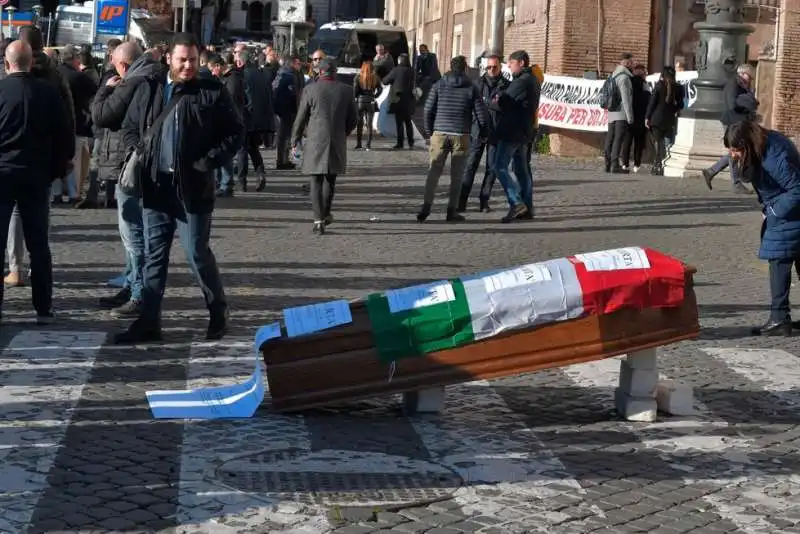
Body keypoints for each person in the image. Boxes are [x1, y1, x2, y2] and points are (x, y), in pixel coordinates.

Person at [112, 32, 243, 344]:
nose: (187, 66)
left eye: (193, 60)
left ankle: (218, 311)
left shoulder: (211, 90)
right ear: (168, 58)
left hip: (193, 188)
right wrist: (138, 151)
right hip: (157, 186)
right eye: (182, 59)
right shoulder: (150, 88)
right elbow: (129, 126)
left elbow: (235, 132)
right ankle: (148, 322)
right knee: (154, 257)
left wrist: (209, 161)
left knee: (197, 253)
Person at [0, 41, 73, 326]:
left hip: (3, 174)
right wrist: (52, 172)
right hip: (35, 176)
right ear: (31, 63)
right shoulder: (47, 93)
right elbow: (64, 139)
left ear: (7, 64)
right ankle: (43, 306)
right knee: (39, 246)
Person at [91, 41, 164, 318]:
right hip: (141, 164)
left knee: (132, 232)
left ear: (122, 65)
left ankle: (137, 291)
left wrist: (106, 88)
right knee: (135, 230)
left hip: (130, 165)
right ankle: (132, 284)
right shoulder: (154, 76)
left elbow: (100, 115)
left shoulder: (131, 82)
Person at [722, 121, 800, 336]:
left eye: (736, 149)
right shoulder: (766, 144)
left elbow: (797, 189)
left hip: (788, 214)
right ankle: (780, 317)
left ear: (747, 145)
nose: (732, 154)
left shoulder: (773, 156)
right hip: (787, 212)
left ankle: (779, 318)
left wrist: (773, 212)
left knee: (778, 260)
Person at [417, 55, 488, 223]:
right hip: (461, 134)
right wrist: (484, 133)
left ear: (450, 67)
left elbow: (427, 110)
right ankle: (451, 211)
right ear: (465, 68)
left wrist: (429, 132)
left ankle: (426, 207)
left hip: (440, 133)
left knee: (434, 172)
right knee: (457, 175)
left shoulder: (439, 85)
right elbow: (481, 114)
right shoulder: (471, 87)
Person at [291, 58, 357, 235]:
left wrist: (295, 139)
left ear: (319, 72)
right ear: (334, 72)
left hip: (315, 139)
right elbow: (353, 119)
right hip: (336, 139)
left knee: (316, 180)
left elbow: (301, 117)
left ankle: (318, 220)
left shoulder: (310, 90)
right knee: (330, 179)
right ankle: (326, 213)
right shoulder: (346, 90)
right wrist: (343, 132)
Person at [492, 50, 540, 223]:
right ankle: (528, 207)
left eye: (511, 63)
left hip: (512, 131)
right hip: (524, 131)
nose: (509, 66)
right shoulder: (532, 79)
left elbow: (503, 102)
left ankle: (516, 202)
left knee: (499, 166)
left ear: (521, 63)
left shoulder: (521, 81)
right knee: (521, 170)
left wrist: (495, 100)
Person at [458, 53, 508, 213]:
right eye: (489, 67)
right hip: (477, 130)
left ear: (500, 67)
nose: (492, 70)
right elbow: (468, 106)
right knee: (470, 166)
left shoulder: (506, 85)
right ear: (484, 68)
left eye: (495, 67)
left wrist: (489, 103)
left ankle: (484, 201)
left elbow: (505, 107)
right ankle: (462, 201)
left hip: (497, 131)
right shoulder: (477, 84)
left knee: (492, 168)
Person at [702, 63, 758, 194]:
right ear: (743, 74)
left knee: (734, 151)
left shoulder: (743, 86)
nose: (750, 80)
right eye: (750, 76)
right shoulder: (733, 83)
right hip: (731, 121)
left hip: (738, 121)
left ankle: (710, 172)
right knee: (735, 151)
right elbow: (732, 104)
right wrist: (747, 103)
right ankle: (736, 183)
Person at [645, 67, 683, 176]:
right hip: (669, 119)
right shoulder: (679, 87)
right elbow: (680, 105)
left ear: (663, 75)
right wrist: (673, 110)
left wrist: (647, 117)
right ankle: (666, 163)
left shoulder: (659, 86)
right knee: (668, 142)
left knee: (657, 142)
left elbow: (652, 103)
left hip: (656, 119)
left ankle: (657, 165)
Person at [604, 53, 635, 174]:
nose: (633, 65)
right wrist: (630, 117)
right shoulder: (624, 78)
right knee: (618, 138)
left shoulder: (613, 75)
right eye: (631, 62)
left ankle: (607, 163)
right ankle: (614, 164)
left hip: (612, 111)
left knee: (610, 137)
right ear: (626, 63)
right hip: (621, 112)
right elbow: (626, 98)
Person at [273, 53, 301, 169]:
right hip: (287, 110)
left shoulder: (280, 73)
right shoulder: (289, 76)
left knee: (283, 136)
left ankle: (283, 159)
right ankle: (282, 160)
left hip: (280, 109)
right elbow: (292, 95)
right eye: (297, 63)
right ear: (291, 63)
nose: (299, 65)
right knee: (285, 136)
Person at [382, 53, 415, 149]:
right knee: (408, 122)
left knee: (399, 123)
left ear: (399, 61)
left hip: (398, 99)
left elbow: (385, 81)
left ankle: (400, 143)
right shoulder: (411, 70)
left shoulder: (396, 70)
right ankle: (411, 143)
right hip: (409, 100)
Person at [353, 58, 382, 150]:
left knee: (359, 123)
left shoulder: (358, 77)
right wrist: (376, 95)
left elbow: (355, 90)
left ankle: (358, 144)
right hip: (371, 102)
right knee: (369, 124)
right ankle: (368, 145)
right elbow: (380, 88)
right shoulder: (375, 77)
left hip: (360, 101)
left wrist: (356, 97)